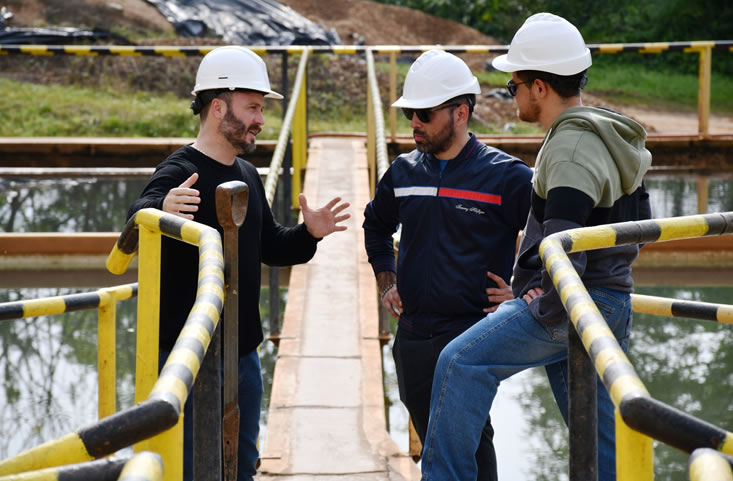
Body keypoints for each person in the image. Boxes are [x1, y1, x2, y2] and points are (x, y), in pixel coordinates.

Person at [420, 13, 652, 481]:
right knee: (599, 434)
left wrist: (545, 302)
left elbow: (566, 248)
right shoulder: (606, 135)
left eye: (514, 86)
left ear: (540, 88)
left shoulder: (570, 148)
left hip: (575, 303)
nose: (513, 94)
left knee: (460, 364)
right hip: (608, 300)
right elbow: (635, 227)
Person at [127, 46, 350, 481]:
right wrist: (160, 207)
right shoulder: (180, 169)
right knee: (194, 467)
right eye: (252, 107)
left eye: (261, 108)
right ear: (217, 107)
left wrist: (309, 233)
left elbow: (271, 246)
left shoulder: (247, 174)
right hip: (188, 357)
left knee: (242, 465)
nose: (260, 120)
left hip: (243, 354)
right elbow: (136, 221)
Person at [362, 49, 533, 481]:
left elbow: (551, 238)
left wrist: (524, 290)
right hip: (414, 336)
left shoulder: (506, 177)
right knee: (441, 443)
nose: (414, 123)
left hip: (471, 336)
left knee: (469, 441)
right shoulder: (402, 173)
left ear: (460, 112)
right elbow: (376, 226)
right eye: (409, 115)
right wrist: (387, 281)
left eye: (423, 113)